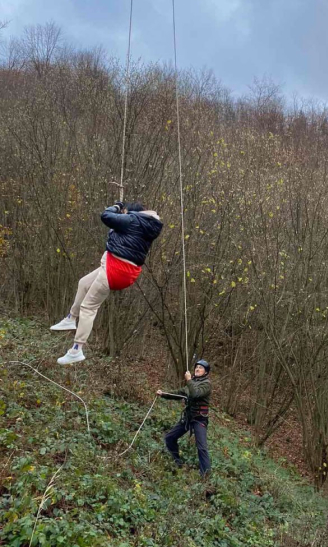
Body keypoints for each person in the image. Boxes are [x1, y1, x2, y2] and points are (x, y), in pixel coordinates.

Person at [51, 201, 163, 365]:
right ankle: (70, 318)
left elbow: (106, 216)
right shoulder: (146, 224)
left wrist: (116, 207)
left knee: (88, 307)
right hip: (120, 268)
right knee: (84, 283)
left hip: (116, 269)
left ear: (131, 212)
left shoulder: (133, 221)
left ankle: (76, 349)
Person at [157, 359, 212, 476]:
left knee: (202, 448)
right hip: (188, 418)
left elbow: (195, 394)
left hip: (199, 420)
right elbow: (178, 393)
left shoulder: (206, 384)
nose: (197, 369)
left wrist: (189, 380)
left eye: (201, 368)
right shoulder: (191, 383)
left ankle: (206, 476)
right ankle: (177, 462)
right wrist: (163, 394)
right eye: (196, 367)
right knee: (170, 438)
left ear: (206, 372)